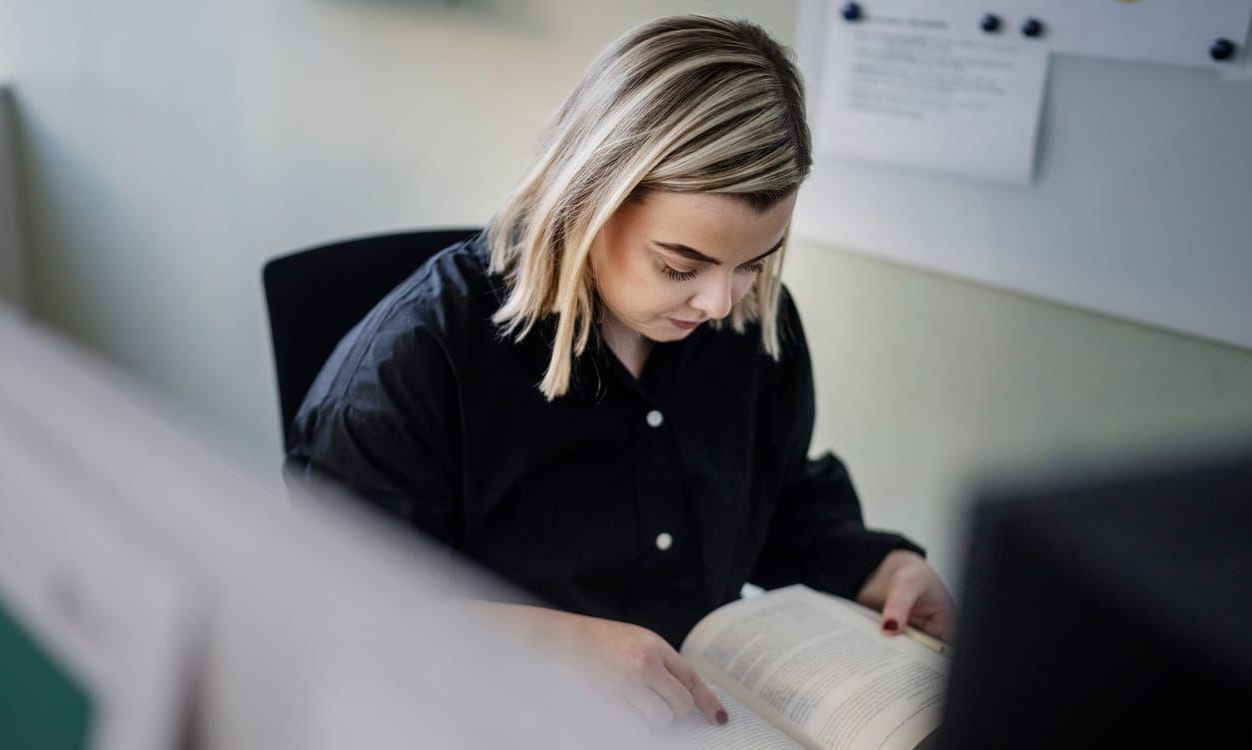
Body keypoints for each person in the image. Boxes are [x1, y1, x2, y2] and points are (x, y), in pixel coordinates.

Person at [283, 15, 955, 730]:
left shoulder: (753, 322)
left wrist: (876, 568)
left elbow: (778, 492)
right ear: (586, 200)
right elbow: (334, 606)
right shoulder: (417, 358)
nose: (720, 300)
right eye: (678, 266)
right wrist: (555, 642)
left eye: (753, 262)